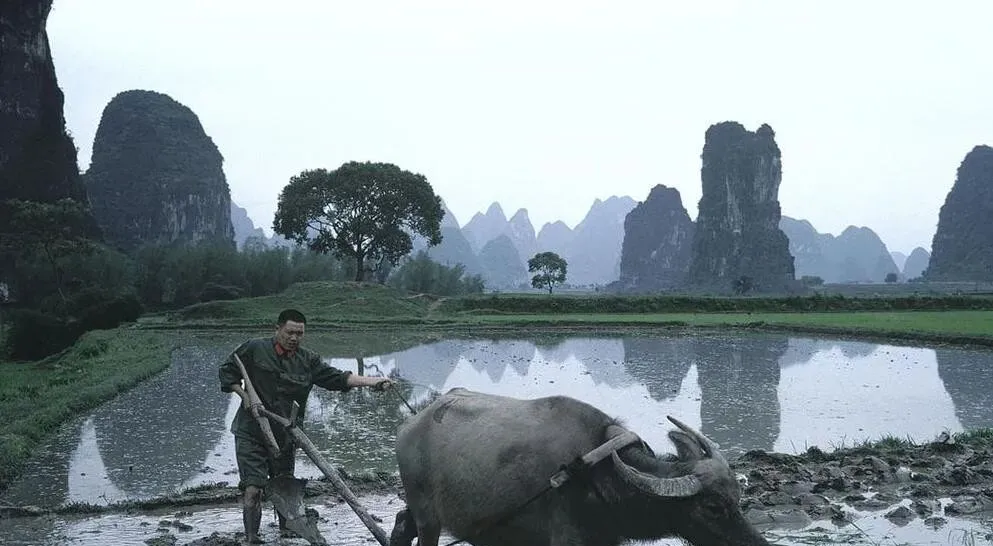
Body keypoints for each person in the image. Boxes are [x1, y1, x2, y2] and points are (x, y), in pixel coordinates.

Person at [218, 308, 392, 543]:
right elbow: (228, 370)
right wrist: (244, 395)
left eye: (299, 334)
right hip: (252, 431)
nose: (294, 338)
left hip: (286, 434)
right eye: (289, 332)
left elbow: (338, 378)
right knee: (253, 488)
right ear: (277, 329)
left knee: (285, 483)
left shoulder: (308, 361)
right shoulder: (255, 348)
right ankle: (252, 538)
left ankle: (287, 530)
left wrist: (373, 381)